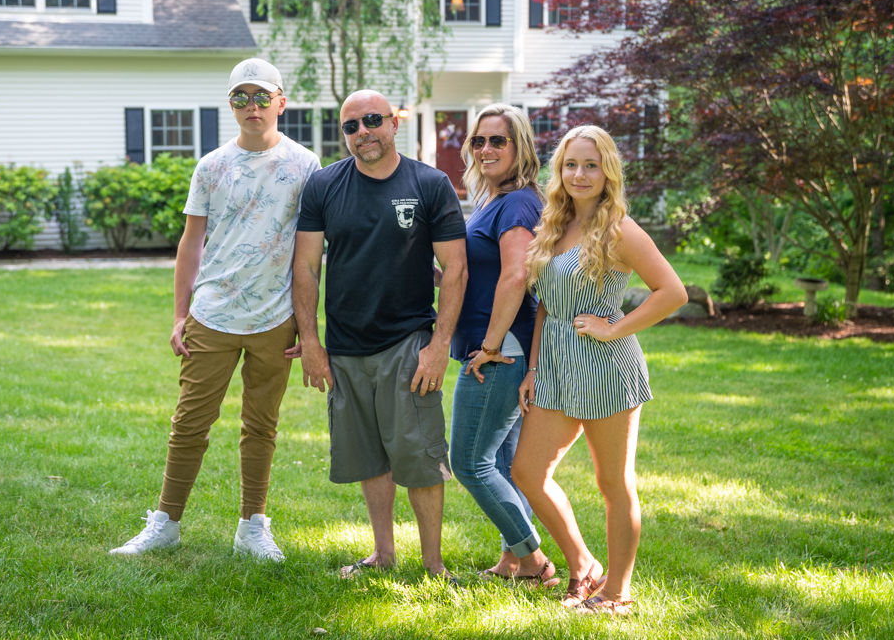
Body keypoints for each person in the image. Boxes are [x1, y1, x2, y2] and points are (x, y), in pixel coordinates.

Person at [110, 58, 321, 560]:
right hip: (214, 314)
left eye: (262, 96)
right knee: (189, 422)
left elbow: (313, 251)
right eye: (241, 97)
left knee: (261, 426)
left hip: (275, 319)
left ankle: (252, 525)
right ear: (230, 105)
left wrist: (308, 326)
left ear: (281, 102)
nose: (253, 106)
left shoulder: (306, 166)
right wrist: (180, 314)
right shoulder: (211, 165)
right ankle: (165, 522)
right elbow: (191, 243)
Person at [292, 89, 468, 583]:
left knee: (419, 455)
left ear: (394, 123)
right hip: (345, 348)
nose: (362, 132)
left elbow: (455, 270)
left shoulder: (430, 183)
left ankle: (434, 565)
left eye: (372, 121)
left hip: (407, 342)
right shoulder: (323, 186)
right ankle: (384, 554)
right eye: (351, 126)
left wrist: (438, 348)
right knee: (370, 455)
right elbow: (306, 267)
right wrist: (311, 342)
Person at [511, 125, 687, 616]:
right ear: (559, 171)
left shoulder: (619, 229)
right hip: (555, 368)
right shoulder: (554, 223)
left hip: (606, 368)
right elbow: (545, 305)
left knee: (613, 484)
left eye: (591, 165)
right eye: (571, 165)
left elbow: (672, 292)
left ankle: (617, 593)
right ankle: (584, 564)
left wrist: (615, 329)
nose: (580, 174)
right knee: (526, 471)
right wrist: (533, 368)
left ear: (607, 170)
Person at [447, 104, 554, 584]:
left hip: (501, 348)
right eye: (479, 141)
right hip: (506, 345)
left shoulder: (515, 203)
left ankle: (534, 560)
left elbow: (516, 275)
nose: (486, 149)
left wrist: (489, 345)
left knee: (468, 461)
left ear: (521, 148)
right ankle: (515, 562)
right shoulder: (498, 199)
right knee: (506, 464)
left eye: (498, 141)